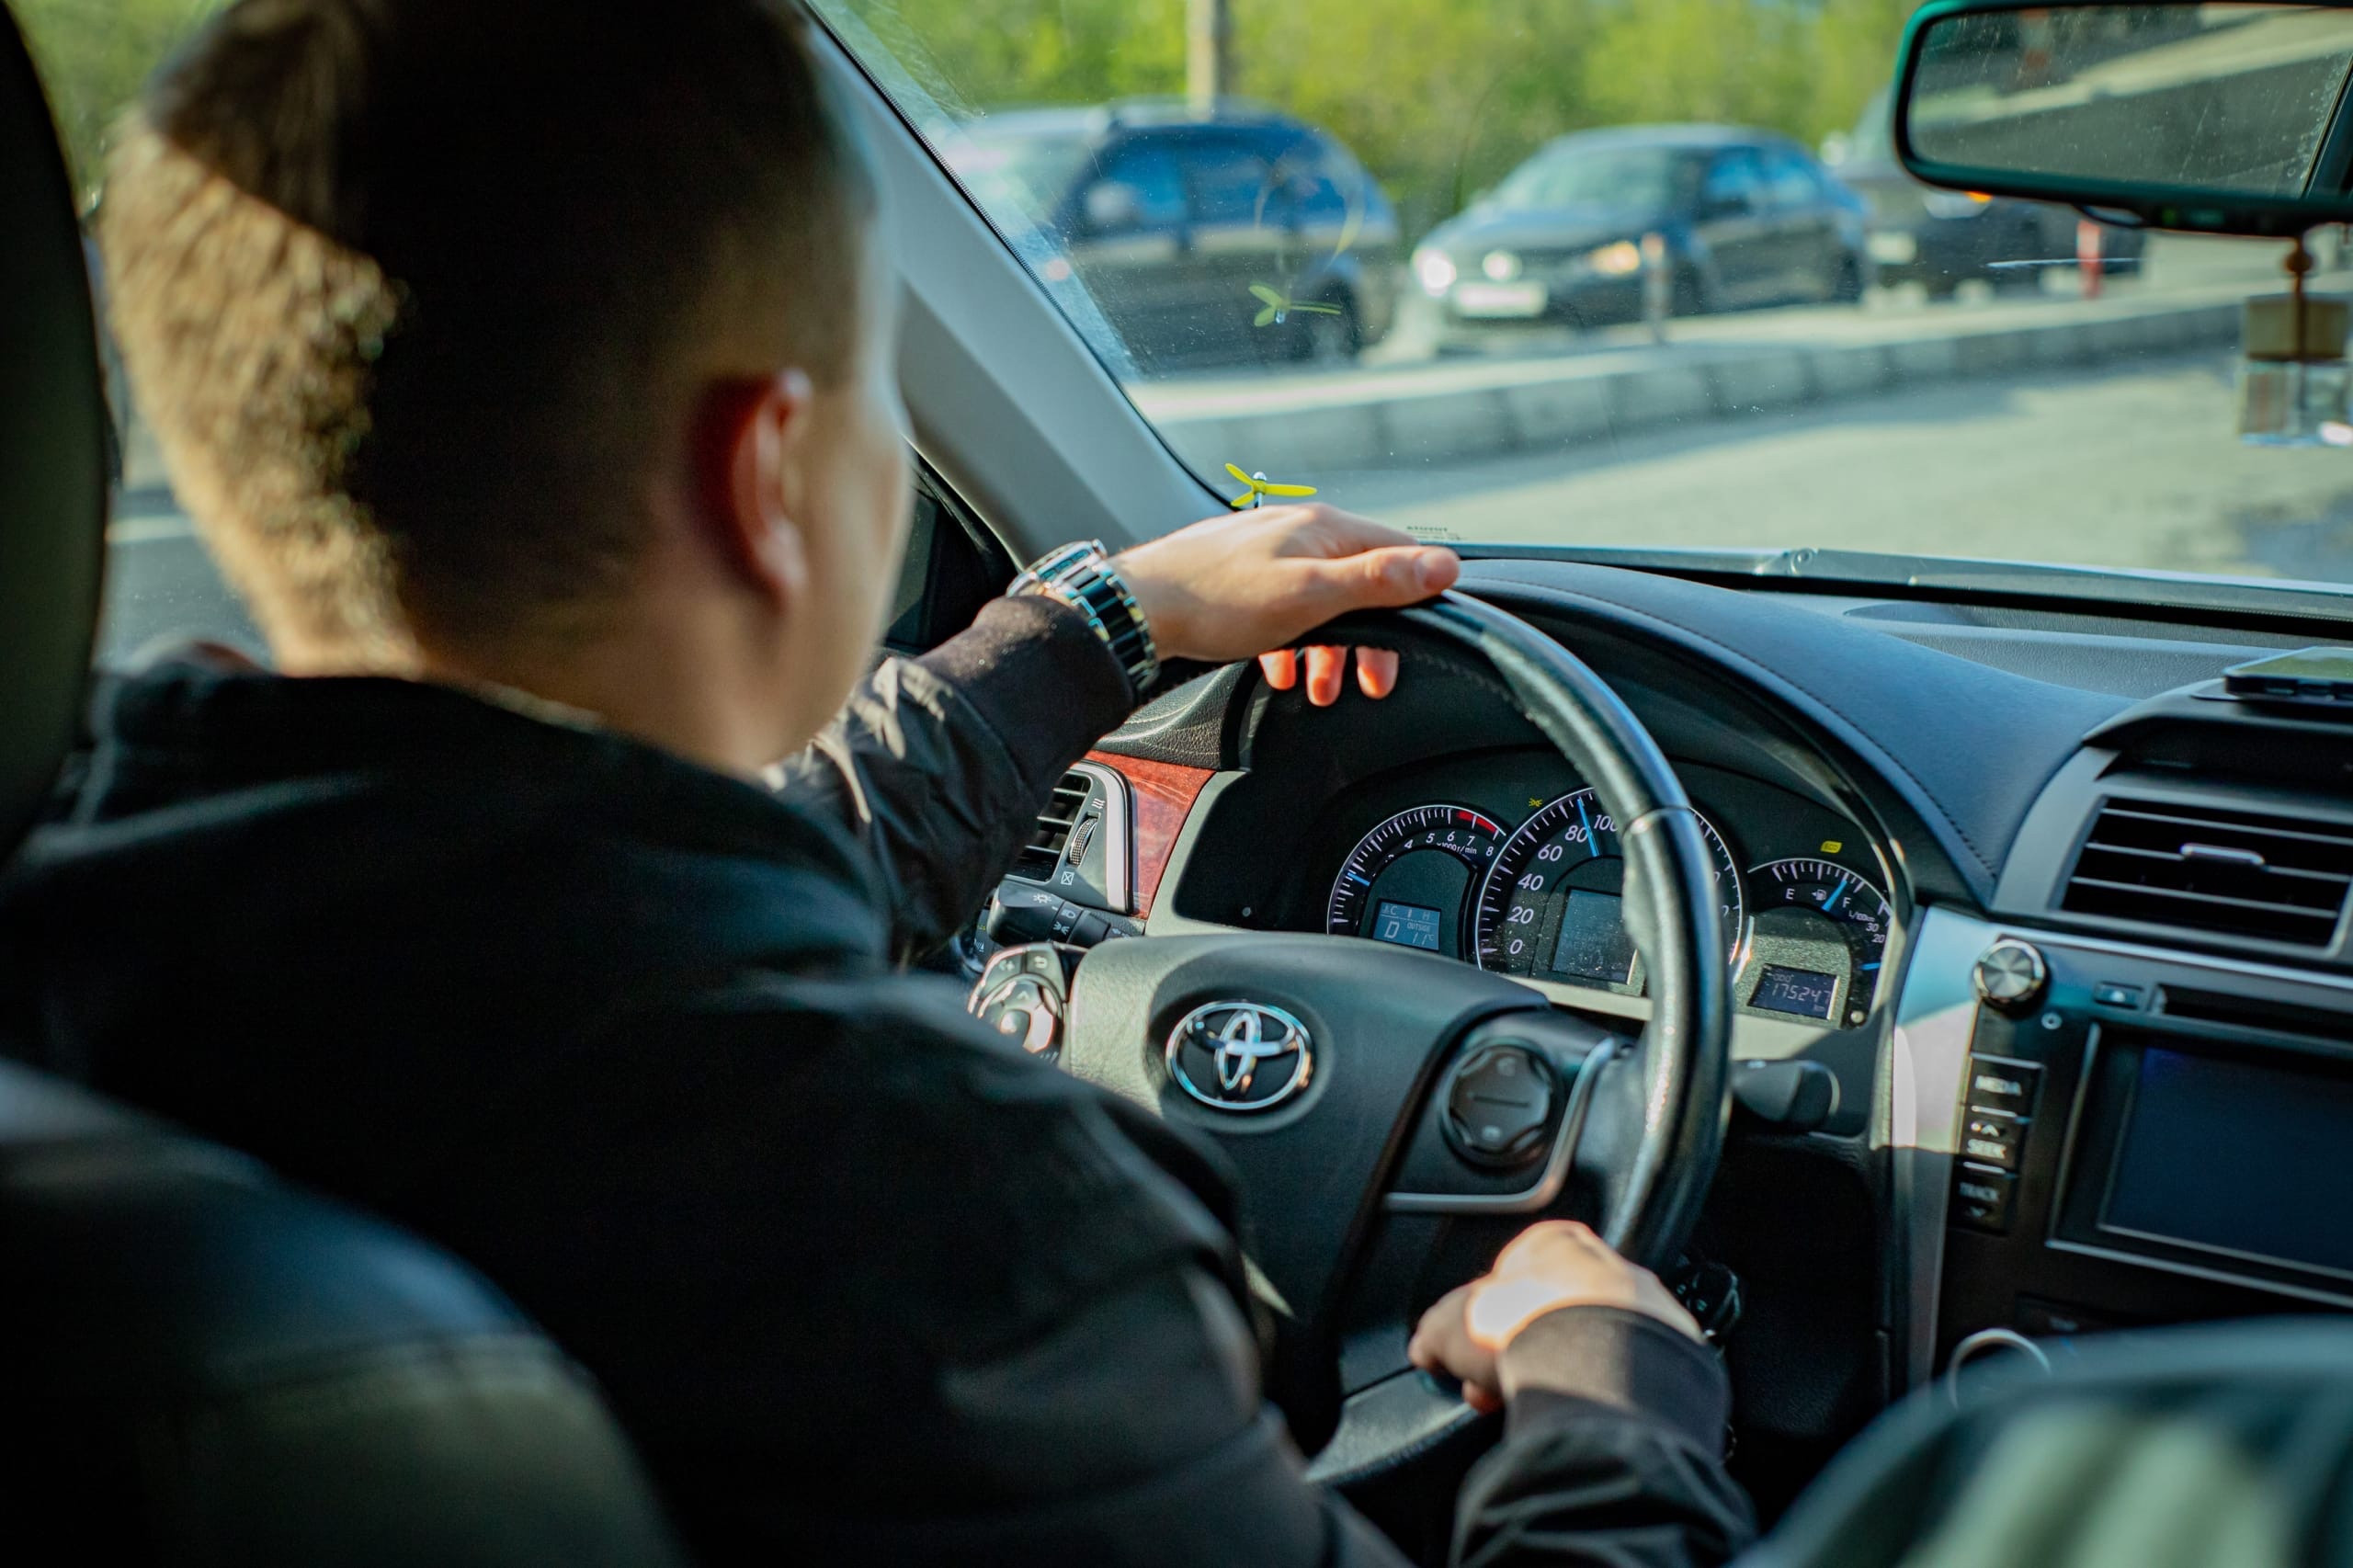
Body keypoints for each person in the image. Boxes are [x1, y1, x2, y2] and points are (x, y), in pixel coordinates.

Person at [0, 2, 1754, 1563]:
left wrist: (1099, 619)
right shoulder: (944, 1227)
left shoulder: (106, 914)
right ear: (770, 467)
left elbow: (630, 904)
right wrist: (1607, 1404)